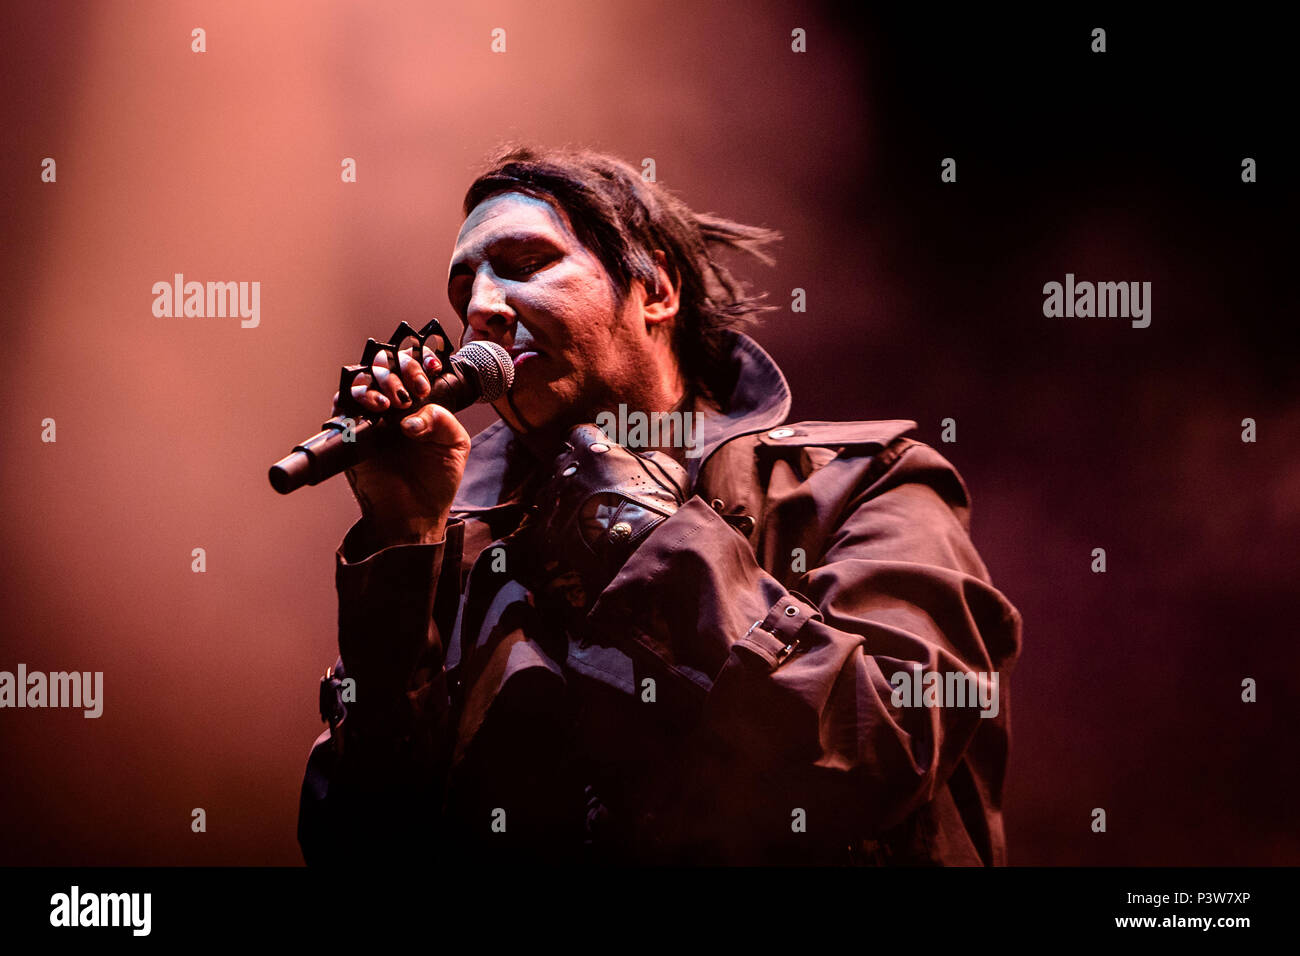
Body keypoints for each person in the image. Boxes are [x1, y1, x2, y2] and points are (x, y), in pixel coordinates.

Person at [297, 145, 1022, 866]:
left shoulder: (860, 485)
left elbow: (882, 747)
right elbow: (356, 845)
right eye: (465, 294)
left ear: (656, 293)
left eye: (523, 265)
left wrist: (635, 528)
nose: (483, 308)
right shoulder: (457, 550)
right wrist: (402, 547)